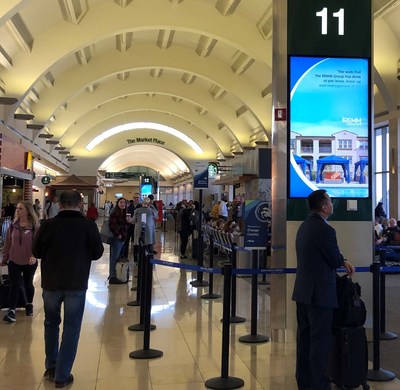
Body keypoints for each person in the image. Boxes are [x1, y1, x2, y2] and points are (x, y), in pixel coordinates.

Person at [32, 190, 104, 388]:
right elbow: (98, 253)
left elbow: (36, 251)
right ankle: (62, 375)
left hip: (51, 282)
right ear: (80, 204)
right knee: (72, 328)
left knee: (50, 323)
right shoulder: (88, 225)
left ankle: (51, 367)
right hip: (76, 282)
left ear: (60, 204)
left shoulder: (48, 225)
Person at [292, 189, 355, 390]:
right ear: (324, 207)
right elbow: (334, 259)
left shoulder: (304, 226)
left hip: (302, 292)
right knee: (320, 342)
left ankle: (304, 381)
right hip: (319, 295)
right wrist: (343, 260)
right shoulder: (326, 229)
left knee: (305, 340)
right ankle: (319, 385)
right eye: (331, 202)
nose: (333, 205)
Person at [1, 201, 40, 322]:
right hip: (14, 259)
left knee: (28, 283)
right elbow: (8, 242)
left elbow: (38, 243)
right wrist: (5, 257)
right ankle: (12, 310)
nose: (17, 210)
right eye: (17, 208)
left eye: (21, 208)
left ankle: (29, 304)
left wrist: (34, 255)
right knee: (15, 284)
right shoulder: (13, 225)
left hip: (29, 260)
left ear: (28, 211)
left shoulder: (34, 225)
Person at [108, 197, 128, 284]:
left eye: (124, 202)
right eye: (121, 202)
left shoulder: (123, 213)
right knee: (114, 257)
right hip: (117, 238)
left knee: (118, 256)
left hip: (122, 237)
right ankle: (112, 276)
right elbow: (112, 225)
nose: (123, 204)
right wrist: (118, 235)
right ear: (117, 203)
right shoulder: (115, 212)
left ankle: (117, 274)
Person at [124, 194, 142, 260]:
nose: (136, 199)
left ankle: (136, 258)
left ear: (139, 198)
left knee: (136, 243)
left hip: (137, 227)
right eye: (135, 197)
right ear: (133, 198)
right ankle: (125, 257)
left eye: (137, 197)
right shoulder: (129, 207)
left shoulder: (141, 207)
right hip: (129, 227)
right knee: (126, 242)